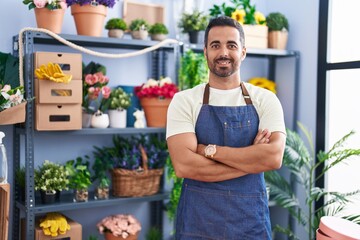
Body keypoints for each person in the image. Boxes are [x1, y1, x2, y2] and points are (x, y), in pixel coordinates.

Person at [166, 16, 286, 239]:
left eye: (231, 45)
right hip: (197, 223)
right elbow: (185, 166)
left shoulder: (265, 100)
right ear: (205, 52)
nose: (223, 52)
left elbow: (273, 158)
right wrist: (252, 161)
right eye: (215, 45)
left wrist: (208, 150)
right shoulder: (184, 101)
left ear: (243, 52)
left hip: (250, 224)